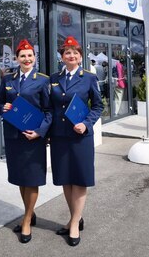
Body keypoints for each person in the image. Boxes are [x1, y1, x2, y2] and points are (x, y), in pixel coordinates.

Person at [0, 39, 52, 244]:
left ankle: (26, 220)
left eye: (30, 55)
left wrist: (39, 132)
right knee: (20, 177)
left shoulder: (42, 80)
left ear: (34, 58)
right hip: (14, 137)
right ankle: (30, 212)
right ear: (17, 58)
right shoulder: (8, 79)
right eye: (22, 56)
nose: (27, 59)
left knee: (32, 178)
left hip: (33, 137)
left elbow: (49, 111)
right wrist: (3, 108)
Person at [48, 36, 103, 247]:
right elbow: (48, 106)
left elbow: (98, 106)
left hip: (80, 137)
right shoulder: (54, 78)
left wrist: (86, 124)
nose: (71, 55)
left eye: (75, 53)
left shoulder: (89, 77)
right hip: (59, 136)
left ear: (80, 56)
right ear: (62, 57)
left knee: (79, 179)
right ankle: (75, 218)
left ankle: (73, 225)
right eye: (67, 52)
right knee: (65, 178)